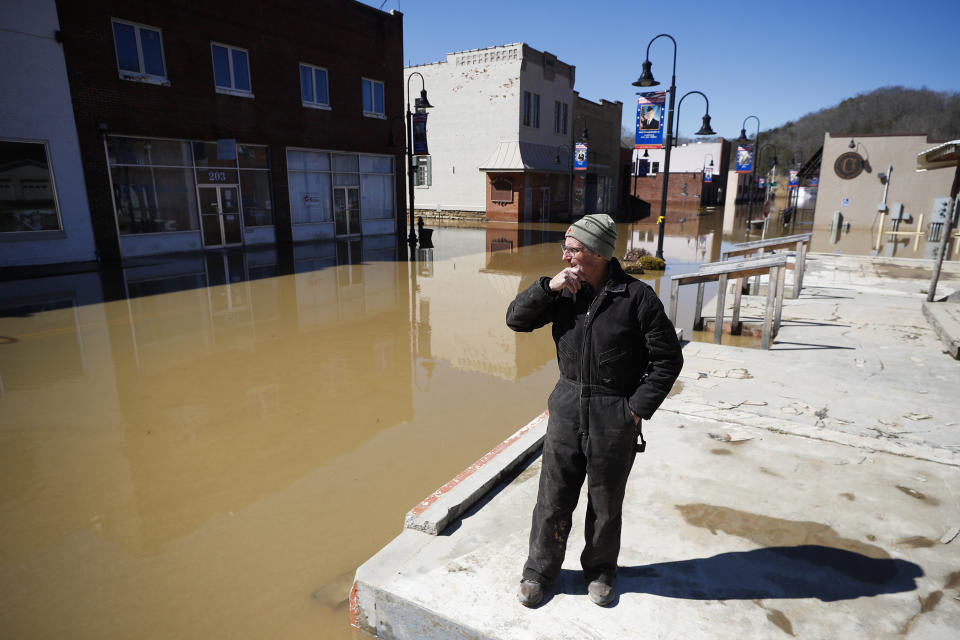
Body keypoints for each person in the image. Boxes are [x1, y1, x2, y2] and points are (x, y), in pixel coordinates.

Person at [506, 214, 683, 608]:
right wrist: (547, 289)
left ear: (598, 253)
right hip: (567, 406)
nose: (565, 256)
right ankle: (539, 572)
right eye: (566, 248)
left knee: (605, 504)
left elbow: (667, 360)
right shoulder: (564, 292)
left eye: (573, 249)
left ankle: (601, 572)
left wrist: (634, 410)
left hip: (613, 412)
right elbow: (516, 320)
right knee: (552, 498)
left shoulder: (636, 298)